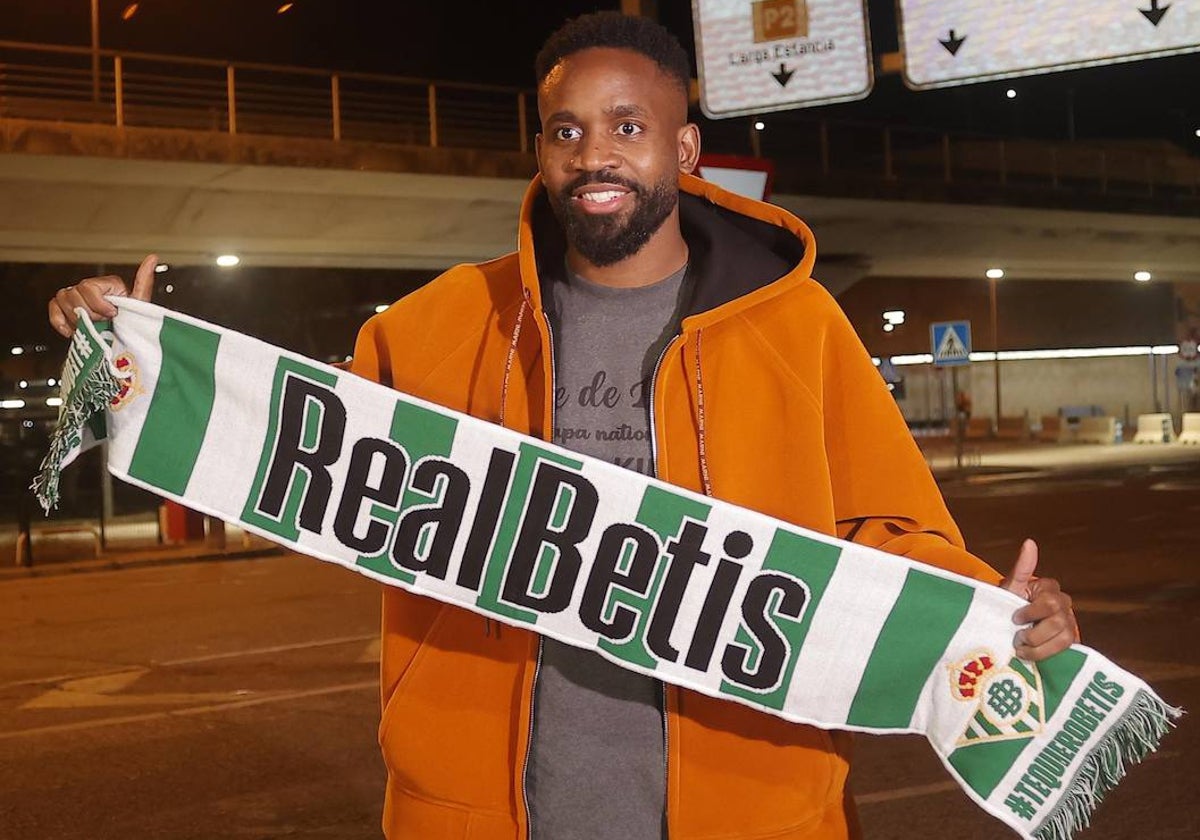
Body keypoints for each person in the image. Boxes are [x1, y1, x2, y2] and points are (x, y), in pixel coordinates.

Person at [48, 12, 1077, 840]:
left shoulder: (795, 325)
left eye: (629, 128)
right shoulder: (443, 319)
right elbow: (294, 462)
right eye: (568, 129)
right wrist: (138, 365)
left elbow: (883, 528)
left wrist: (997, 605)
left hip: (749, 807)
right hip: (481, 811)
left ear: (681, 147)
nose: (597, 155)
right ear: (539, 148)